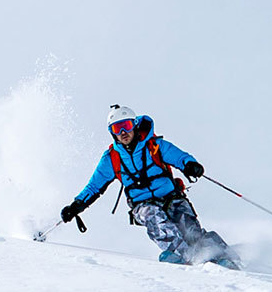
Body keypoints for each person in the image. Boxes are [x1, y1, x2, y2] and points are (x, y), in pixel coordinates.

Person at [60, 105, 240, 269]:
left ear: (135, 125)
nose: (123, 132)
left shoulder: (154, 145)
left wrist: (190, 165)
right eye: (117, 128)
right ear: (112, 133)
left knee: (191, 230)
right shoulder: (111, 159)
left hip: (172, 197)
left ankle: (225, 257)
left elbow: (179, 157)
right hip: (143, 204)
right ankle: (187, 257)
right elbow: (94, 187)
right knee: (154, 217)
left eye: (127, 125)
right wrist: (75, 206)